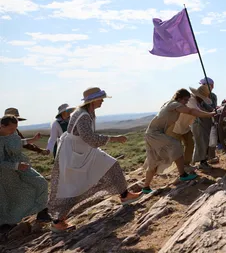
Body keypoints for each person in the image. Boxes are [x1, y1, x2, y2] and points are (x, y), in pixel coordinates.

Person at [48, 87, 142, 232]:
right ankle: (57, 221)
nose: (103, 101)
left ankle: (124, 195)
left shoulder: (86, 113)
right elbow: (89, 138)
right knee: (74, 186)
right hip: (77, 152)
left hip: (82, 149)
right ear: (93, 100)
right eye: (101, 98)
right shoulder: (83, 115)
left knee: (111, 165)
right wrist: (113, 138)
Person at [143, 88, 215, 193]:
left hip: (152, 134)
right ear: (179, 98)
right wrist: (210, 114)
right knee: (176, 145)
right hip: (155, 134)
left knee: (154, 160)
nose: (186, 102)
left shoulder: (172, 104)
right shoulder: (174, 104)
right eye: (185, 100)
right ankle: (183, 175)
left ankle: (146, 187)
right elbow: (191, 111)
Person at [0, 115, 51, 226]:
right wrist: (16, 166)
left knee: (41, 182)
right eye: (11, 129)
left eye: (15, 128)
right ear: (2, 126)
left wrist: (32, 140)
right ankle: (8, 222)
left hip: (22, 166)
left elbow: (17, 141)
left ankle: (42, 212)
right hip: (7, 174)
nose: (14, 131)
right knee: (13, 197)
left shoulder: (12, 133)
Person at [189, 84, 216, 170]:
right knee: (201, 142)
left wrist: (214, 110)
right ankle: (202, 162)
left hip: (203, 123)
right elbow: (197, 112)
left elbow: (208, 107)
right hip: (197, 124)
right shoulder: (192, 100)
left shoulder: (200, 100)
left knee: (205, 141)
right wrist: (210, 114)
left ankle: (204, 160)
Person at [198, 77, 220, 165]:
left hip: (210, 119)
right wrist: (212, 111)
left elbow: (213, 107)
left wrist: (215, 110)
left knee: (212, 139)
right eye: (202, 85)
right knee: (202, 140)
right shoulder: (199, 96)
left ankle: (211, 157)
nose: (203, 86)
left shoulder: (213, 96)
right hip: (200, 120)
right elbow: (201, 108)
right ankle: (202, 162)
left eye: (205, 85)